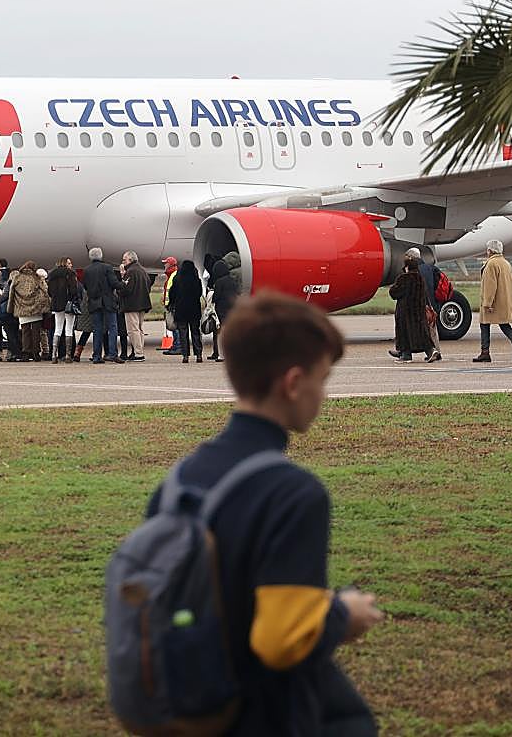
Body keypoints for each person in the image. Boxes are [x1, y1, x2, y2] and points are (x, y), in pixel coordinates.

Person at [143, 292, 382, 736]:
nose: (322, 396)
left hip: (191, 704)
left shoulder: (179, 480)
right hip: (262, 714)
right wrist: (342, 614)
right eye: (321, 379)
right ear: (293, 383)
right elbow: (280, 641)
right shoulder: (293, 494)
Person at [473, 239, 512, 363]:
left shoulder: (491, 264)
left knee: (485, 325)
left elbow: (490, 286)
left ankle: (485, 352)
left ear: (490, 250)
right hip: (505, 301)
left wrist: (487, 303)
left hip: (494, 302)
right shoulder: (506, 263)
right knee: (504, 325)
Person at [388, 257, 437, 363]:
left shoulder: (403, 278)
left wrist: (392, 287)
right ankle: (430, 352)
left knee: (404, 332)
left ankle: (406, 355)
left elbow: (394, 293)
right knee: (421, 333)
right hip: (418, 311)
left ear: (407, 267)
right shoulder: (420, 278)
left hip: (405, 311)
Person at [83, 247, 124, 364]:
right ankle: (113, 354)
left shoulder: (87, 270)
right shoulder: (107, 267)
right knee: (112, 327)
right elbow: (114, 283)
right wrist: (123, 283)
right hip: (108, 301)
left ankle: (96, 356)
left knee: (97, 329)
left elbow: (85, 286)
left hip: (94, 302)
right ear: (101, 256)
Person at [401, 247, 443, 360]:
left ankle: (406, 352)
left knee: (416, 329)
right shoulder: (430, 268)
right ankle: (437, 352)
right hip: (431, 303)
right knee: (432, 330)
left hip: (419, 304)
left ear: (411, 257)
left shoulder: (413, 271)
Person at [8, 261, 51, 361]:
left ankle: (26, 353)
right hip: (36, 309)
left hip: (21, 309)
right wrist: (46, 306)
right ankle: (36, 353)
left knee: (25, 332)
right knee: (36, 332)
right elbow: (45, 291)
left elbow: (11, 294)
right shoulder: (36, 278)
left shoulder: (17, 278)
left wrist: (10, 308)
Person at [166, 259, 204, 363]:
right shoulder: (196, 280)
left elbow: (172, 294)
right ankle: (199, 354)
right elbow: (199, 293)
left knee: (183, 333)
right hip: (194, 310)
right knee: (195, 332)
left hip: (181, 310)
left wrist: (172, 303)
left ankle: (185, 355)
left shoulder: (177, 279)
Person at [118, 251, 152, 361]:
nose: (123, 262)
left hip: (131, 305)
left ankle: (138, 353)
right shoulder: (142, 270)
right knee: (139, 329)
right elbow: (148, 285)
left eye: (124, 260)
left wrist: (122, 278)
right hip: (143, 303)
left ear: (131, 260)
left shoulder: (131, 272)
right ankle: (139, 351)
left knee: (133, 330)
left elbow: (125, 289)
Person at [47, 257, 80, 363]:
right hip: (68, 304)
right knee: (69, 329)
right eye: (69, 263)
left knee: (58, 328)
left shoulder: (52, 274)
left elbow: (49, 292)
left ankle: (54, 355)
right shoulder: (70, 274)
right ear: (65, 264)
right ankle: (67, 355)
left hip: (56, 305)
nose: (71, 265)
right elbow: (73, 290)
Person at [209, 258, 239, 362]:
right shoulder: (233, 280)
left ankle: (222, 355)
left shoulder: (219, 282)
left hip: (221, 311)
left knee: (221, 334)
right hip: (233, 309)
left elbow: (215, 297)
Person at [160, 257, 182, 355]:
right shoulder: (171, 275)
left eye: (166, 263)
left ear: (170, 264)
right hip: (171, 305)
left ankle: (178, 346)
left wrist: (169, 303)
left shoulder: (174, 275)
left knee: (174, 325)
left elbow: (173, 291)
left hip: (173, 305)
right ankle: (175, 345)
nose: (164, 265)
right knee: (173, 325)